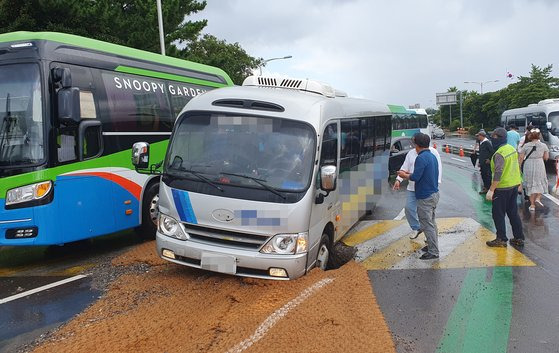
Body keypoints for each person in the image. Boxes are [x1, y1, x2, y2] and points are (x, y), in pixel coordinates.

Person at [397, 133, 440, 260]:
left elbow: (415, 177)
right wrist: (409, 173)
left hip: (425, 196)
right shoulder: (432, 155)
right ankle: (432, 245)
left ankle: (433, 251)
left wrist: (404, 175)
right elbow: (424, 173)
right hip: (433, 193)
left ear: (417, 145)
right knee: (431, 222)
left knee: (427, 224)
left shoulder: (421, 158)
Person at [486, 127, 525, 247]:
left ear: (499, 138)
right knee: (513, 213)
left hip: (502, 188)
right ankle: (519, 237)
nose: (492, 139)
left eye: (494, 137)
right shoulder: (511, 149)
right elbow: (516, 166)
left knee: (498, 214)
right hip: (513, 186)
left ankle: (501, 239)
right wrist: (519, 183)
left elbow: (498, 172)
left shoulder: (499, 153)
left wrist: (491, 190)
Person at [519, 128, 549, 211]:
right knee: (539, 181)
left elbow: (521, 157)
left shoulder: (526, 145)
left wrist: (519, 167)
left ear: (530, 136)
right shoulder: (544, 145)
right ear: (539, 136)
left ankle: (532, 205)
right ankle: (538, 198)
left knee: (530, 183)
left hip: (528, 164)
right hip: (539, 163)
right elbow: (546, 157)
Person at [476, 130, 494, 194]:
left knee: (487, 175)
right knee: (483, 175)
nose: (477, 137)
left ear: (481, 136)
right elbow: (481, 153)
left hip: (486, 163)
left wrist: (489, 159)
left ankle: (488, 188)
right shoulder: (481, 142)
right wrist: (479, 162)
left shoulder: (487, 142)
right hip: (482, 162)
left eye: (478, 136)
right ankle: (486, 187)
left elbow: (492, 151)